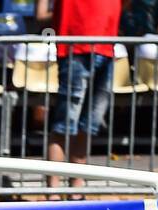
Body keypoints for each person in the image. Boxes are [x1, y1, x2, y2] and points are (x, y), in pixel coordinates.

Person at [35, 0, 121, 192]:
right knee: (65, 123)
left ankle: (77, 190)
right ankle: (54, 191)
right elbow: (41, 15)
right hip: (74, 49)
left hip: (106, 50)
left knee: (89, 124)